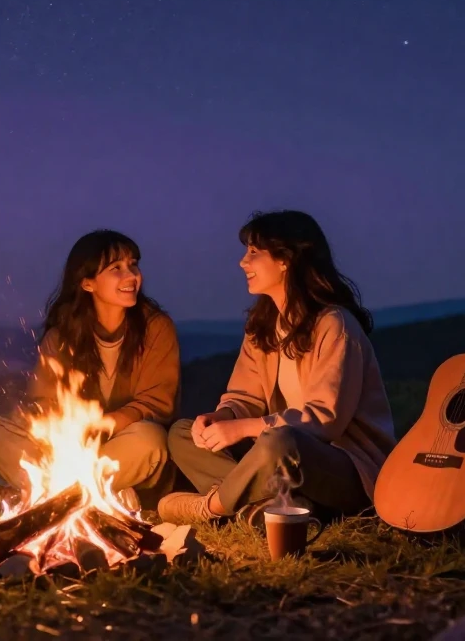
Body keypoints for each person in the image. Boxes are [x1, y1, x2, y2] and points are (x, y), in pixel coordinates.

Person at [158, 210, 396, 526]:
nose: (243, 262)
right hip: (281, 462)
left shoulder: (334, 325)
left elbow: (324, 421)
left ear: (286, 260)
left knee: (279, 442)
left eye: (254, 253)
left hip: (345, 468)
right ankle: (267, 508)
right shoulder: (264, 326)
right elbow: (244, 396)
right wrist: (224, 417)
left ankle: (213, 507)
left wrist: (243, 428)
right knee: (184, 433)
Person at [0, 229, 181, 517]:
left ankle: (23, 496)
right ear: (88, 283)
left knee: (150, 439)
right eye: (116, 268)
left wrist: (106, 423)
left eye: (133, 264)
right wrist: (52, 423)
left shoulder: (155, 328)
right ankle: (101, 494)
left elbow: (158, 402)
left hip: (124, 447)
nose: (131, 275)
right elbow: (44, 402)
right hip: (71, 449)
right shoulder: (61, 336)